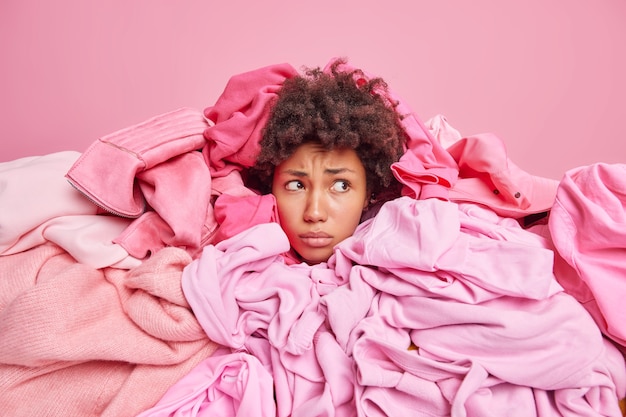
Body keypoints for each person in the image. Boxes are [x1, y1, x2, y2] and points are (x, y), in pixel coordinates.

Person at [247, 59, 407, 265]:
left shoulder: (403, 267)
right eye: (296, 185)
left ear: (367, 194)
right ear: (271, 189)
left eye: (341, 185)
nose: (314, 213)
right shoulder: (230, 268)